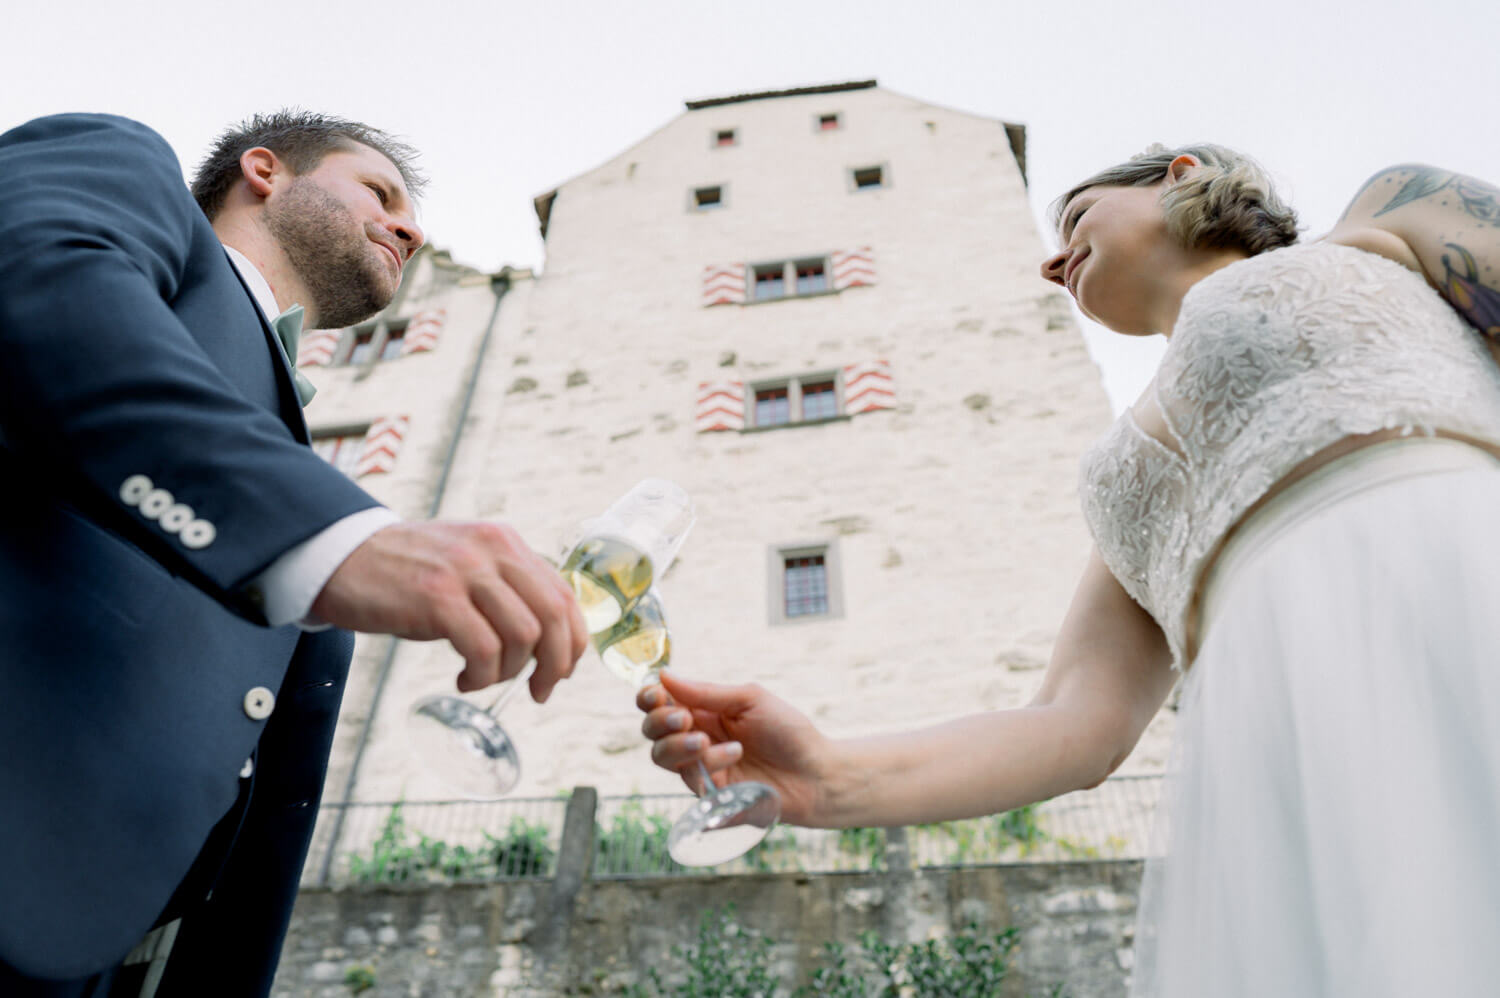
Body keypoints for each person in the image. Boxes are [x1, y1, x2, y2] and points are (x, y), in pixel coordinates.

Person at [638, 145, 1500, 996]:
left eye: (1076, 218)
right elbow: (1072, 726)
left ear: (1183, 174)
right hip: (1278, 739)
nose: (1053, 263)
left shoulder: (1380, 216)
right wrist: (825, 776)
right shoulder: (1121, 477)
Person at [0, 112, 588, 996]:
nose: (412, 228)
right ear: (265, 171)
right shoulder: (126, 168)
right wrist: (324, 535)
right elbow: (38, 282)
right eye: (379, 193)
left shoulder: (285, 427)